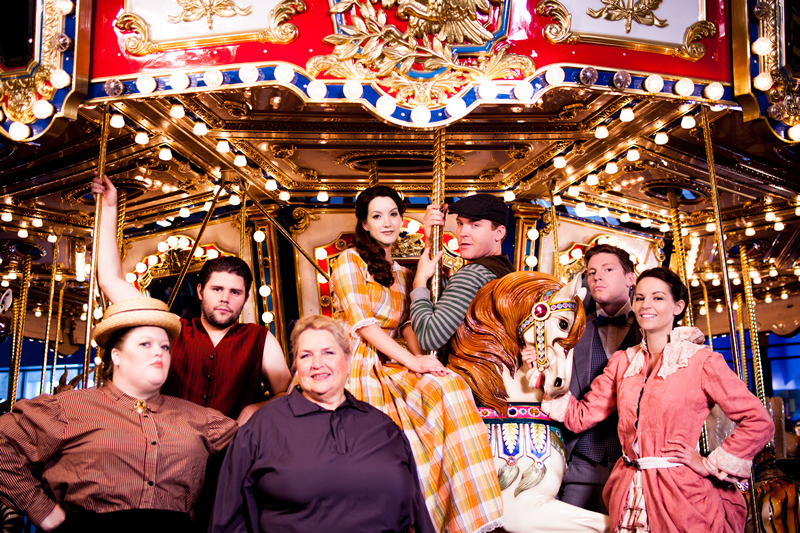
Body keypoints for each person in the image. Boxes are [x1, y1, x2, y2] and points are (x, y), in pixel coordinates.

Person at [542, 267, 773, 533]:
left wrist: (709, 464)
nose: (645, 305)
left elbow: (759, 421)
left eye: (658, 298)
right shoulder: (623, 361)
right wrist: (544, 368)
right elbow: (580, 416)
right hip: (627, 491)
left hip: (681, 496)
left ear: (678, 306)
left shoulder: (702, 361)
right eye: (639, 298)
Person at [330, 186, 503, 533]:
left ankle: (466, 514)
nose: (387, 222)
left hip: (392, 358)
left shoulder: (402, 272)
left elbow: (409, 325)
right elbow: (363, 324)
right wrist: (412, 362)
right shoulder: (350, 260)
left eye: (393, 214)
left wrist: (426, 361)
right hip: (356, 359)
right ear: (364, 224)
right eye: (377, 216)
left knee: (450, 384)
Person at [0, 297, 237, 532]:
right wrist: (43, 512)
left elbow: (256, 445)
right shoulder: (69, 408)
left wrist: (262, 404)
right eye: (145, 344)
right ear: (116, 356)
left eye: (164, 347)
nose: (159, 353)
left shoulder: (199, 417)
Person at [92, 174, 291, 424]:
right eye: (217, 289)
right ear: (200, 292)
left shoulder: (260, 339)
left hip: (234, 452)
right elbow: (110, 281)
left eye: (235, 292)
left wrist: (255, 409)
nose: (225, 298)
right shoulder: (173, 328)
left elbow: (285, 394)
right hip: (171, 450)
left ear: (246, 298)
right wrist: (109, 208)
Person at [209, 315, 435, 533]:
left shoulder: (383, 426)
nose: (317, 364)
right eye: (306, 355)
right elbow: (228, 519)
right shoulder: (261, 427)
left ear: (347, 359)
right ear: (296, 365)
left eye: (328, 352)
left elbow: (418, 515)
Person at [560, 243, 641, 513]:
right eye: (591, 272)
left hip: (633, 462)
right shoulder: (572, 329)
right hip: (582, 461)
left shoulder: (651, 332)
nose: (597, 276)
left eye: (608, 269)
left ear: (631, 279)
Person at [410, 194, 515, 357]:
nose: (462, 233)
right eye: (460, 223)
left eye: (475, 225)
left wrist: (419, 283)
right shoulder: (503, 270)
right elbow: (437, 294)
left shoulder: (473, 274)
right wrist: (430, 240)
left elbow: (429, 338)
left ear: (499, 233)